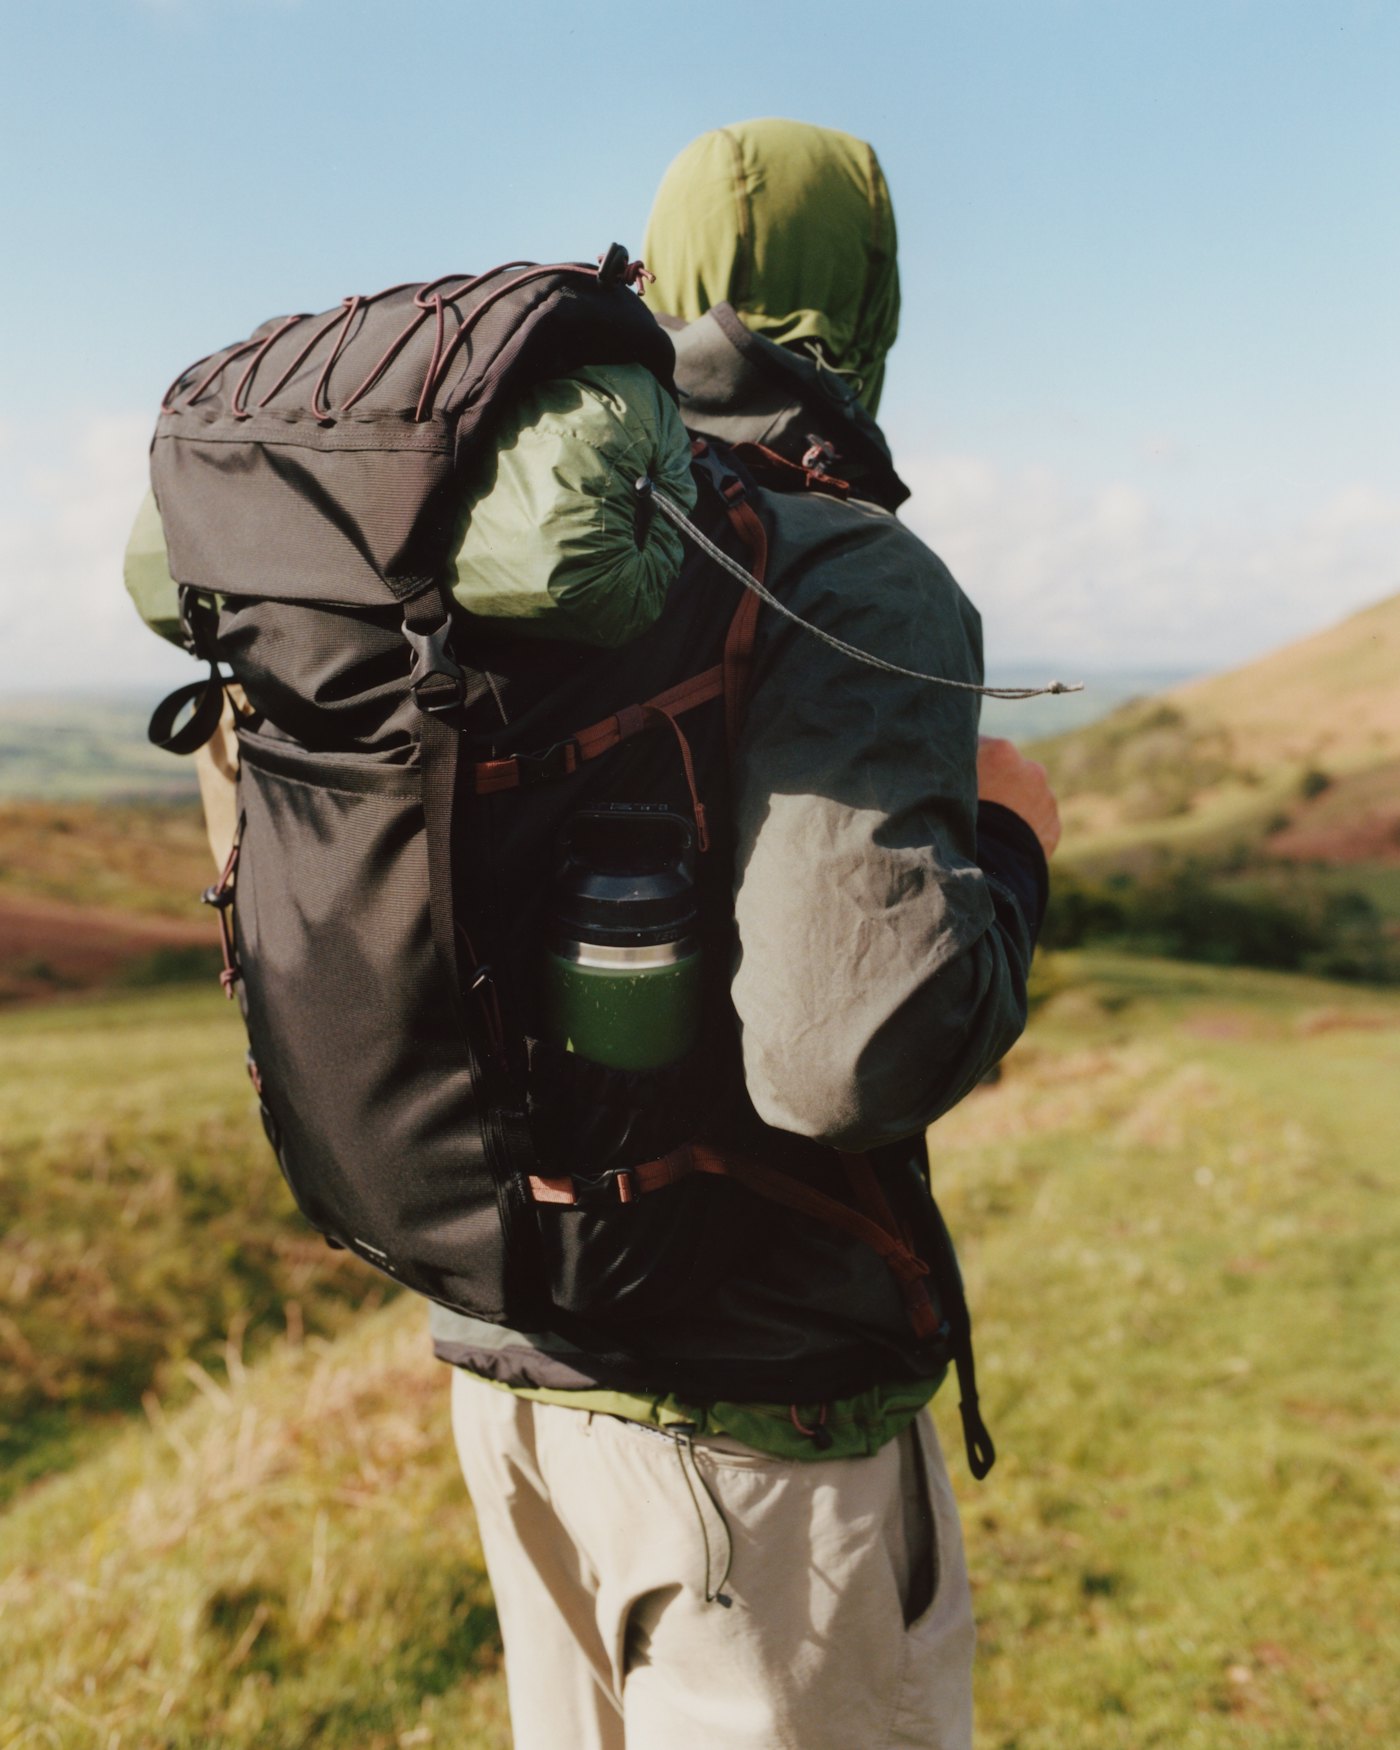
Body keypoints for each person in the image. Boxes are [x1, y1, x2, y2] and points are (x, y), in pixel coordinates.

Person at [435, 118, 1060, 1749]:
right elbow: (849, 1058)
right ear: (871, 300)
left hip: (516, 1377)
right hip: (756, 1435)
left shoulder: (518, 541)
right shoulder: (844, 568)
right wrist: (1012, 851)